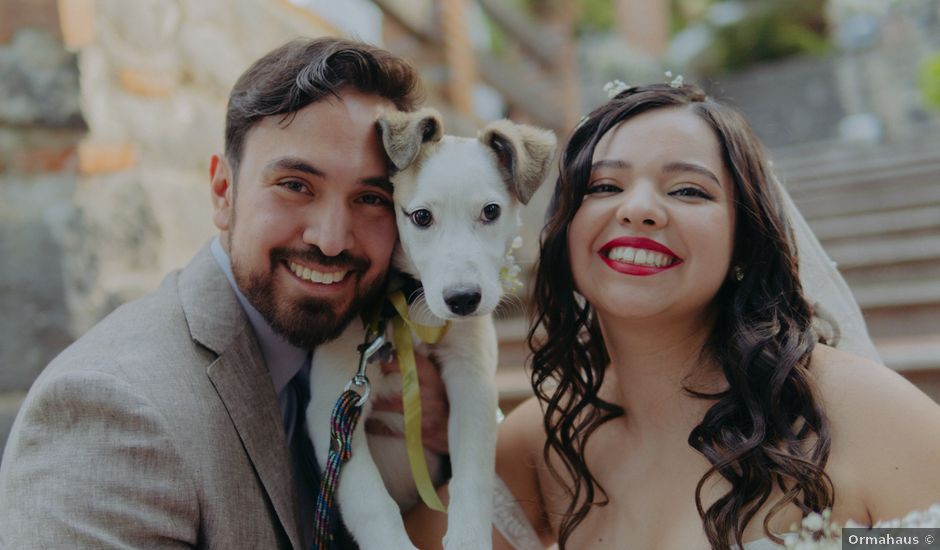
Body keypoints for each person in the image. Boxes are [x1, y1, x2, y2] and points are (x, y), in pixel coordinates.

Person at [407, 82, 940, 549]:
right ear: (564, 230)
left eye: (688, 190)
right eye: (604, 187)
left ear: (745, 238)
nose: (638, 209)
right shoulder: (547, 442)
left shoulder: (859, 414)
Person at [0, 37, 446, 549]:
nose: (331, 238)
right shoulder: (115, 410)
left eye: (371, 198)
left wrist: (441, 440)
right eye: (296, 185)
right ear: (223, 193)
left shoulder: (378, 358)